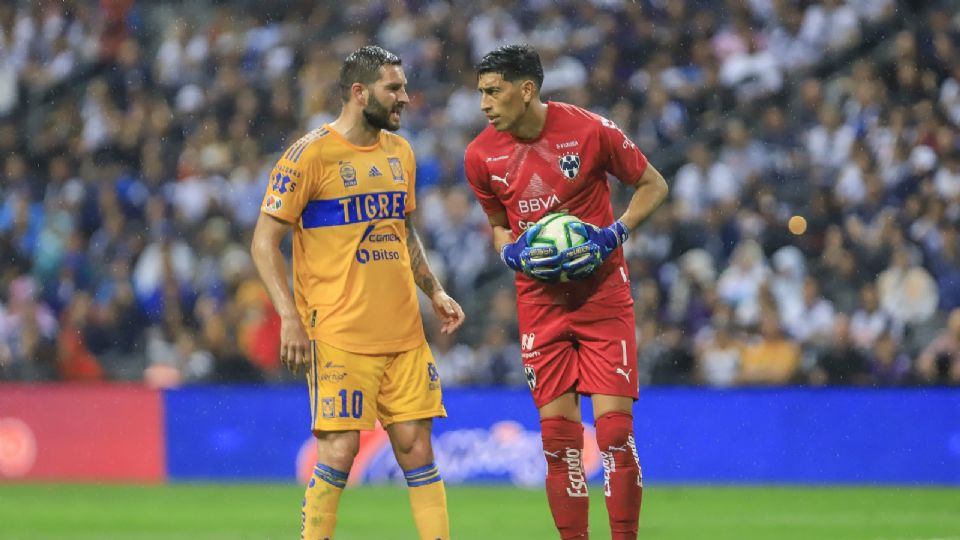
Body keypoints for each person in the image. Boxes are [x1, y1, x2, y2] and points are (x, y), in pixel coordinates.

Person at [250, 45, 464, 540]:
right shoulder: (309, 155)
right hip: (340, 334)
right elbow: (264, 243)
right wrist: (289, 317)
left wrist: (433, 290)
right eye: (394, 88)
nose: (405, 98)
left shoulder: (401, 153)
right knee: (340, 451)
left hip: (405, 333)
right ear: (358, 92)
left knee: (417, 449)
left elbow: (402, 231)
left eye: (404, 87)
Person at [463, 44, 669, 540]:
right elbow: (498, 225)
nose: (485, 105)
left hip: (602, 299)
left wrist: (611, 234)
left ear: (526, 89)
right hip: (540, 305)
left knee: (616, 436)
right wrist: (509, 253)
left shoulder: (590, 130)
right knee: (558, 444)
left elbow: (654, 185)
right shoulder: (479, 156)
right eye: (481, 94)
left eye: (494, 92)